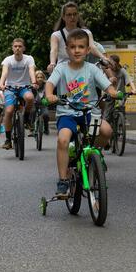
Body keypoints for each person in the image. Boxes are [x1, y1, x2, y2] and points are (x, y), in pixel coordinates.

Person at [45, 30, 116, 198]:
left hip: (90, 112)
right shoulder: (61, 69)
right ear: (67, 50)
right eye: (73, 47)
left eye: (81, 47)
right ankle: (63, 180)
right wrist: (49, 95)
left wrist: (113, 92)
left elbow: (107, 86)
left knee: (106, 131)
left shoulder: (92, 69)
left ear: (87, 50)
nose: (77, 50)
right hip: (67, 113)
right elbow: (49, 84)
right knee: (63, 139)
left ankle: (93, 156)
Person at [0, 38, 37, 151]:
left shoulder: (29, 59)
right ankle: (8, 139)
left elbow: (31, 71)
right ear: (12, 48)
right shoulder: (8, 60)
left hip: (24, 87)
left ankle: (26, 119)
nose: (17, 48)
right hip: (10, 88)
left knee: (30, 98)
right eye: (15, 46)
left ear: (23, 48)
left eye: (20, 46)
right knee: (9, 111)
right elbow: (4, 73)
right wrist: (1, 84)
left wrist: (34, 82)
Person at [47, 1, 105, 72]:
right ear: (63, 17)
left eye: (75, 14)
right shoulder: (56, 35)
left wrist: (103, 57)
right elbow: (54, 50)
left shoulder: (86, 32)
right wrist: (52, 63)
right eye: (69, 15)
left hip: (81, 70)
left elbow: (92, 47)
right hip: (63, 71)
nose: (72, 17)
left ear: (78, 15)